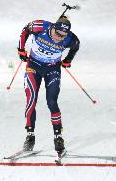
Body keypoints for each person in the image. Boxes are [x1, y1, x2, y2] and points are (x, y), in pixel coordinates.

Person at [17, 16, 80, 155]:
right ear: (53, 27)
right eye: (58, 34)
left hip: (52, 69)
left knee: (52, 102)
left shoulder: (70, 38)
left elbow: (76, 45)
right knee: (31, 99)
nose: (59, 38)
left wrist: (68, 60)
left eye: (63, 36)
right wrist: (21, 49)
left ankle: (58, 138)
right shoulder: (41, 26)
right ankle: (30, 136)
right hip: (33, 67)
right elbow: (26, 30)